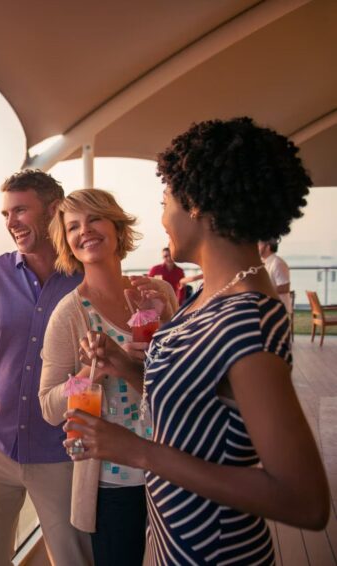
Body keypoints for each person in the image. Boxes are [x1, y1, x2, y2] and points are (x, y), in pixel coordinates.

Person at [68, 117, 329, 565]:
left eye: (165, 199)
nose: (162, 216)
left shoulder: (245, 317)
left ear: (197, 204)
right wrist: (122, 365)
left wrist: (136, 450)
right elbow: (194, 401)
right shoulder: (209, 295)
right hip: (175, 543)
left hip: (217, 553)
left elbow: (304, 501)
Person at [0, 169, 92, 566]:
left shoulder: (85, 278)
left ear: (53, 211)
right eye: (6, 214)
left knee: (73, 558)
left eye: (20, 211)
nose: (11, 223)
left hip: (58, 449)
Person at [39, 188, 178, 566]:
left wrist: (164, 321)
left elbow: (181, 381)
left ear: (117, 226)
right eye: (73, 227)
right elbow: (50, 407)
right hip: (113, 483)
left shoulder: (157, 291)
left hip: (172, 467)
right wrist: (91, 370)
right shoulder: (68, 315)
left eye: (94, 219)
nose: (85, 231)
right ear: (66, 242)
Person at [259, 238, 292, 313]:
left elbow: (285, 287)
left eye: (259, 244)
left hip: (279, 310)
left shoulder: (277, 263)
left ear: (268, 247)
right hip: (271, 308)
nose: (256, 247)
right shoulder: (263, 262)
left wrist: (262, 291)